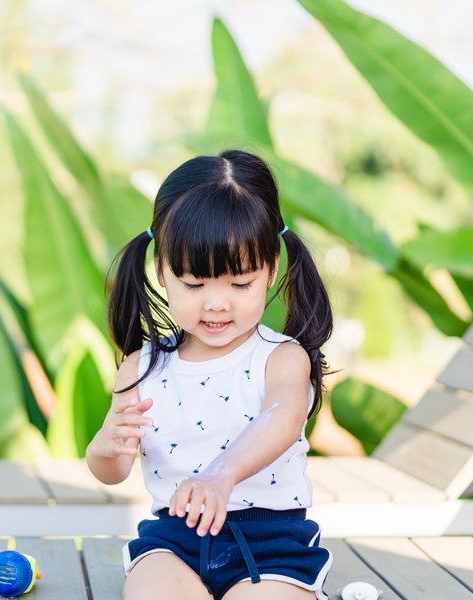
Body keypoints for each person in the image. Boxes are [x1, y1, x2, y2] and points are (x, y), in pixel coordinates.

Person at [86, 150, 334, 600]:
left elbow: (283, 414)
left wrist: (223, 473)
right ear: (161, 270)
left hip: (271, 545)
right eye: (195, 284)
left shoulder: (280, 358)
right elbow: (114, 469)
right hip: (174, 543)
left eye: (240, 284)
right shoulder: (141, 367)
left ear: (271, 270)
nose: (217, 303)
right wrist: (104, 446)